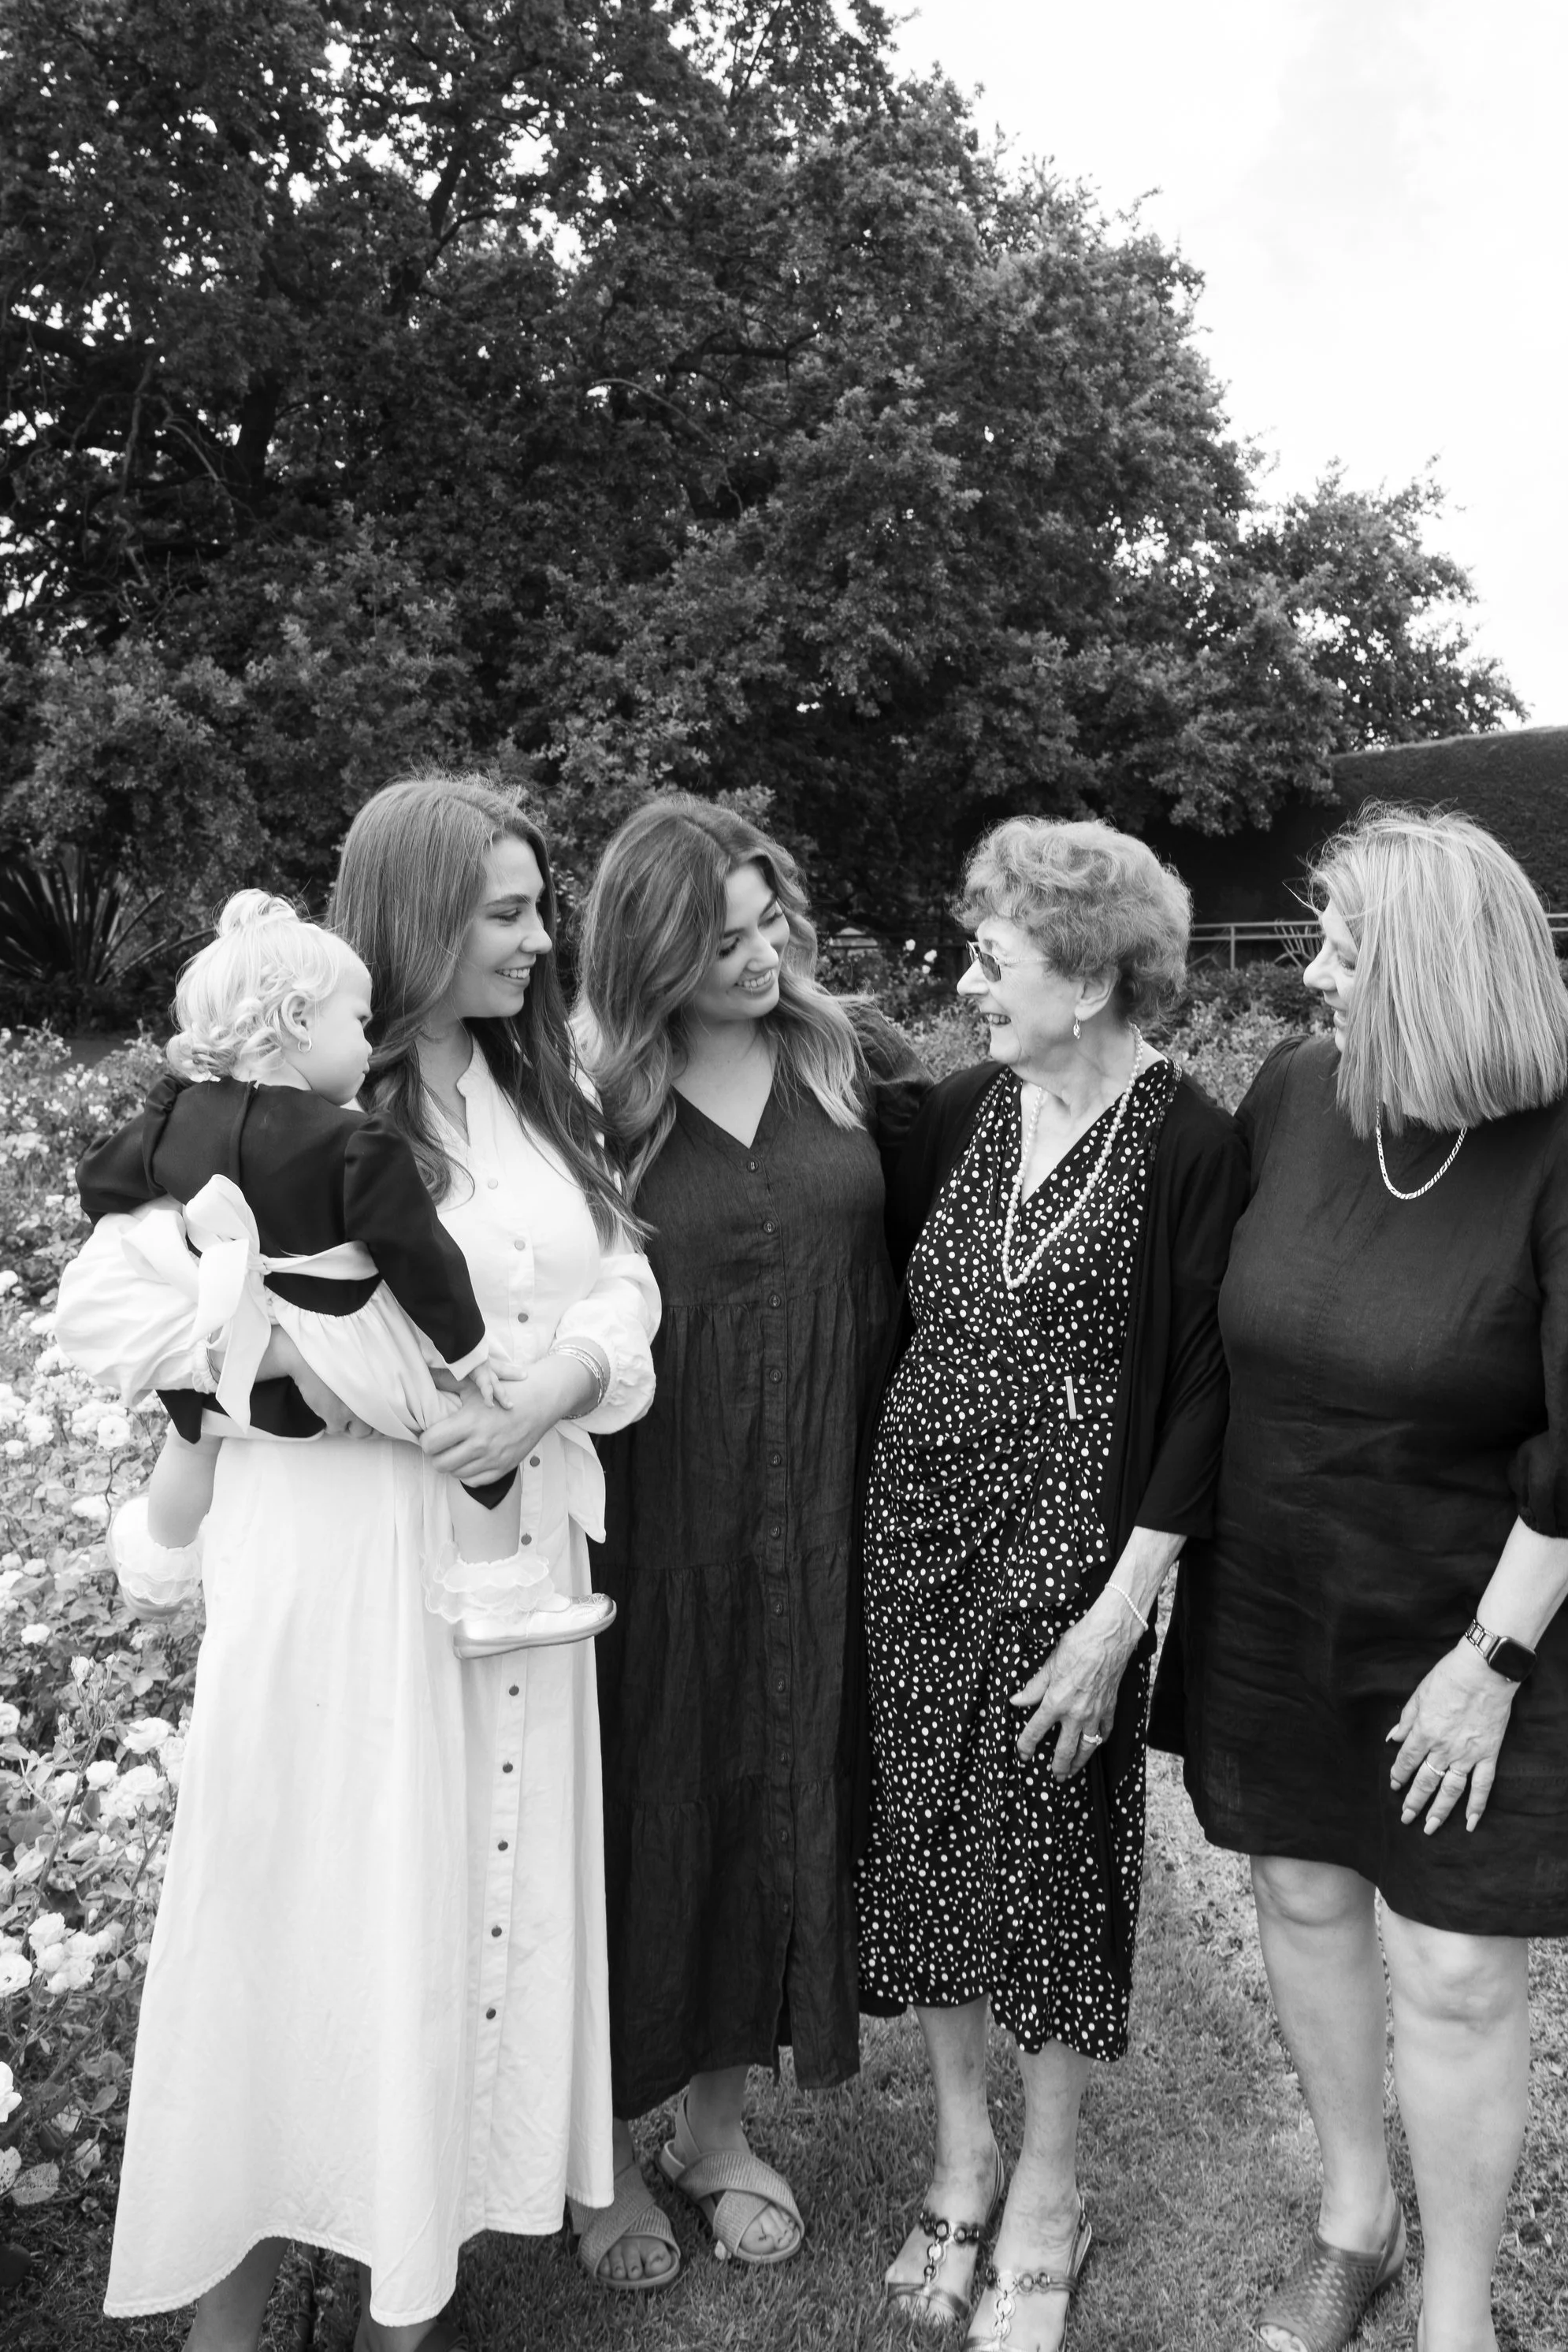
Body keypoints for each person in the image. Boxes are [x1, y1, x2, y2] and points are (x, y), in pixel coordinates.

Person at [55, 776, 659, 2352]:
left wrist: (553, 1385)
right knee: (307, 1905)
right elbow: (125, 1315)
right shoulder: (288, 1099)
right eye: (507, 913)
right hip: (338, 1573)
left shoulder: (548, 1099)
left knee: (465, 1900)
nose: (540, 941)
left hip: (515, 1562)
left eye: (540, 909)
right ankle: (238, 2300)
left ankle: (410, 2277)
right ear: (413, 919)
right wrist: (302, 1386)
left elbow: (624, 1290)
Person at [1151, 805, 1568, 2352]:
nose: (1308, 977)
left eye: (1341, 950)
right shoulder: (1296, 1098)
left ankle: (1454, 2314)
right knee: (1303, 1894)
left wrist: (1488, 1664)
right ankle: (1350, 2220)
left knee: (1451, 1971)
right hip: (1278, 1596)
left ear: (1440, 976)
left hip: (1470, 1615)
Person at [857, 817, 1245, 2350]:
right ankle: (959, 2159)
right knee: (927, 1847)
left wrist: (1119, 1609)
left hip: (1068, 1560)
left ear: (1082, 980)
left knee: (1051, 1855)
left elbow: (1204, 1387)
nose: (965, 983)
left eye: (991, 960)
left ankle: (1049, 2190)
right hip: (912, 1535)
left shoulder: (1189, 1140)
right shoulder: (956, 1112)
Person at [570, 794, 924, 2292]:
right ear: (649, 951)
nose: (761, 953)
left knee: (774, 1791)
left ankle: (715, 2132)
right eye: (720, 939)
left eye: (770, 917)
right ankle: (594, 2161)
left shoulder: (857, 1063)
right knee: (633, 1803)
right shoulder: (593, 1103)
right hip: (652, 1521)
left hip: (826, 1509)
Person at [78, 889, 622, 1656]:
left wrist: (185, 1222)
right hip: (341, 1344)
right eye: (360, 1023)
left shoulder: (174, 1121)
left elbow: (100, 1185)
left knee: (189, 1430)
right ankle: (497, 1594)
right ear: (300, 1020)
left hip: (229, 1342)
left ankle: (156, 1567)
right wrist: (470, 1359)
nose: (370, 1045)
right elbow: (419, 1259)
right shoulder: (354, 1141)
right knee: (464, 1436)